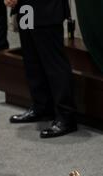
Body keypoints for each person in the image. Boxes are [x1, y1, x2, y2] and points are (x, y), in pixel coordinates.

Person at [7, 0, 77, 138]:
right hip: (26, 7)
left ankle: (66, 117)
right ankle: (41, 107)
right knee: (31, 59)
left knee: (54, 63)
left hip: (46, 6)